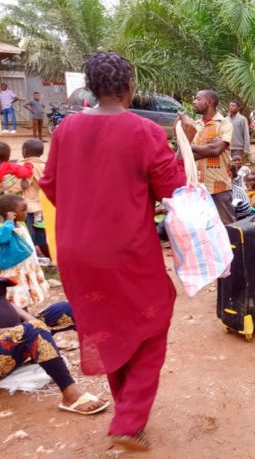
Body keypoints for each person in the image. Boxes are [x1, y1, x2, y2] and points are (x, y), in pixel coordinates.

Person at [39, 51, 186, 452]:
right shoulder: (144, 131)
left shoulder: (66, 129)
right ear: (130, 87)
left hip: (74, 251)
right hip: (125, 249)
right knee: (154, 321)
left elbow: (50, 185)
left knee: (107, 326)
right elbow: (172, 190)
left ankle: (127, 412)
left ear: (91, 86)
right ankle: (128, 420)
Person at [0, 285, 109, 416]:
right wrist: (20, 331)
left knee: (64, 309)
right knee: (32, 328)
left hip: (13, 338)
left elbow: (7, 304)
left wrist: (32, 324)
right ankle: (70, 393)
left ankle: (112, 354)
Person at [179, 90, 235, 225]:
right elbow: (187, 156)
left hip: (219, 185)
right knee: (202, 227)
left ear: (209, 102)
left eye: (198, 99)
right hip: (198, 185)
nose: (194, 101)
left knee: (227, 226)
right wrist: (206, 148)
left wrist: (188, 145)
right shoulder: (196, 125)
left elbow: (217, 150)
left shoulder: (224, 124)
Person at [0, 195, 49, 308]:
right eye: (23, 210)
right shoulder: (4, 228)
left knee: (25, 296)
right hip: (15, 271)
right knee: (18, 298)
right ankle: (22, 321)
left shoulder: (21, 225)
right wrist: (8, 222)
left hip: (27, 268)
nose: (26, 212)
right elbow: (3, 238)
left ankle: (26, 320)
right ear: (11, 214)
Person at [20, 139, 48, 257]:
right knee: (41, 235)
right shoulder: (46, 166)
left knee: (27, 235)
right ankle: (49, 257)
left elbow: (19, 185)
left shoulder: (25, 166)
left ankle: (30, 258)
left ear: (25, 152)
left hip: (27, 207)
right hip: (42, 206)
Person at [230, 153, 252, 221]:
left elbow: (239, 176)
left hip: (243, 188)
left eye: (239, 160)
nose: (237, 162)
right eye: (235, 160)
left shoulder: (244, 169)